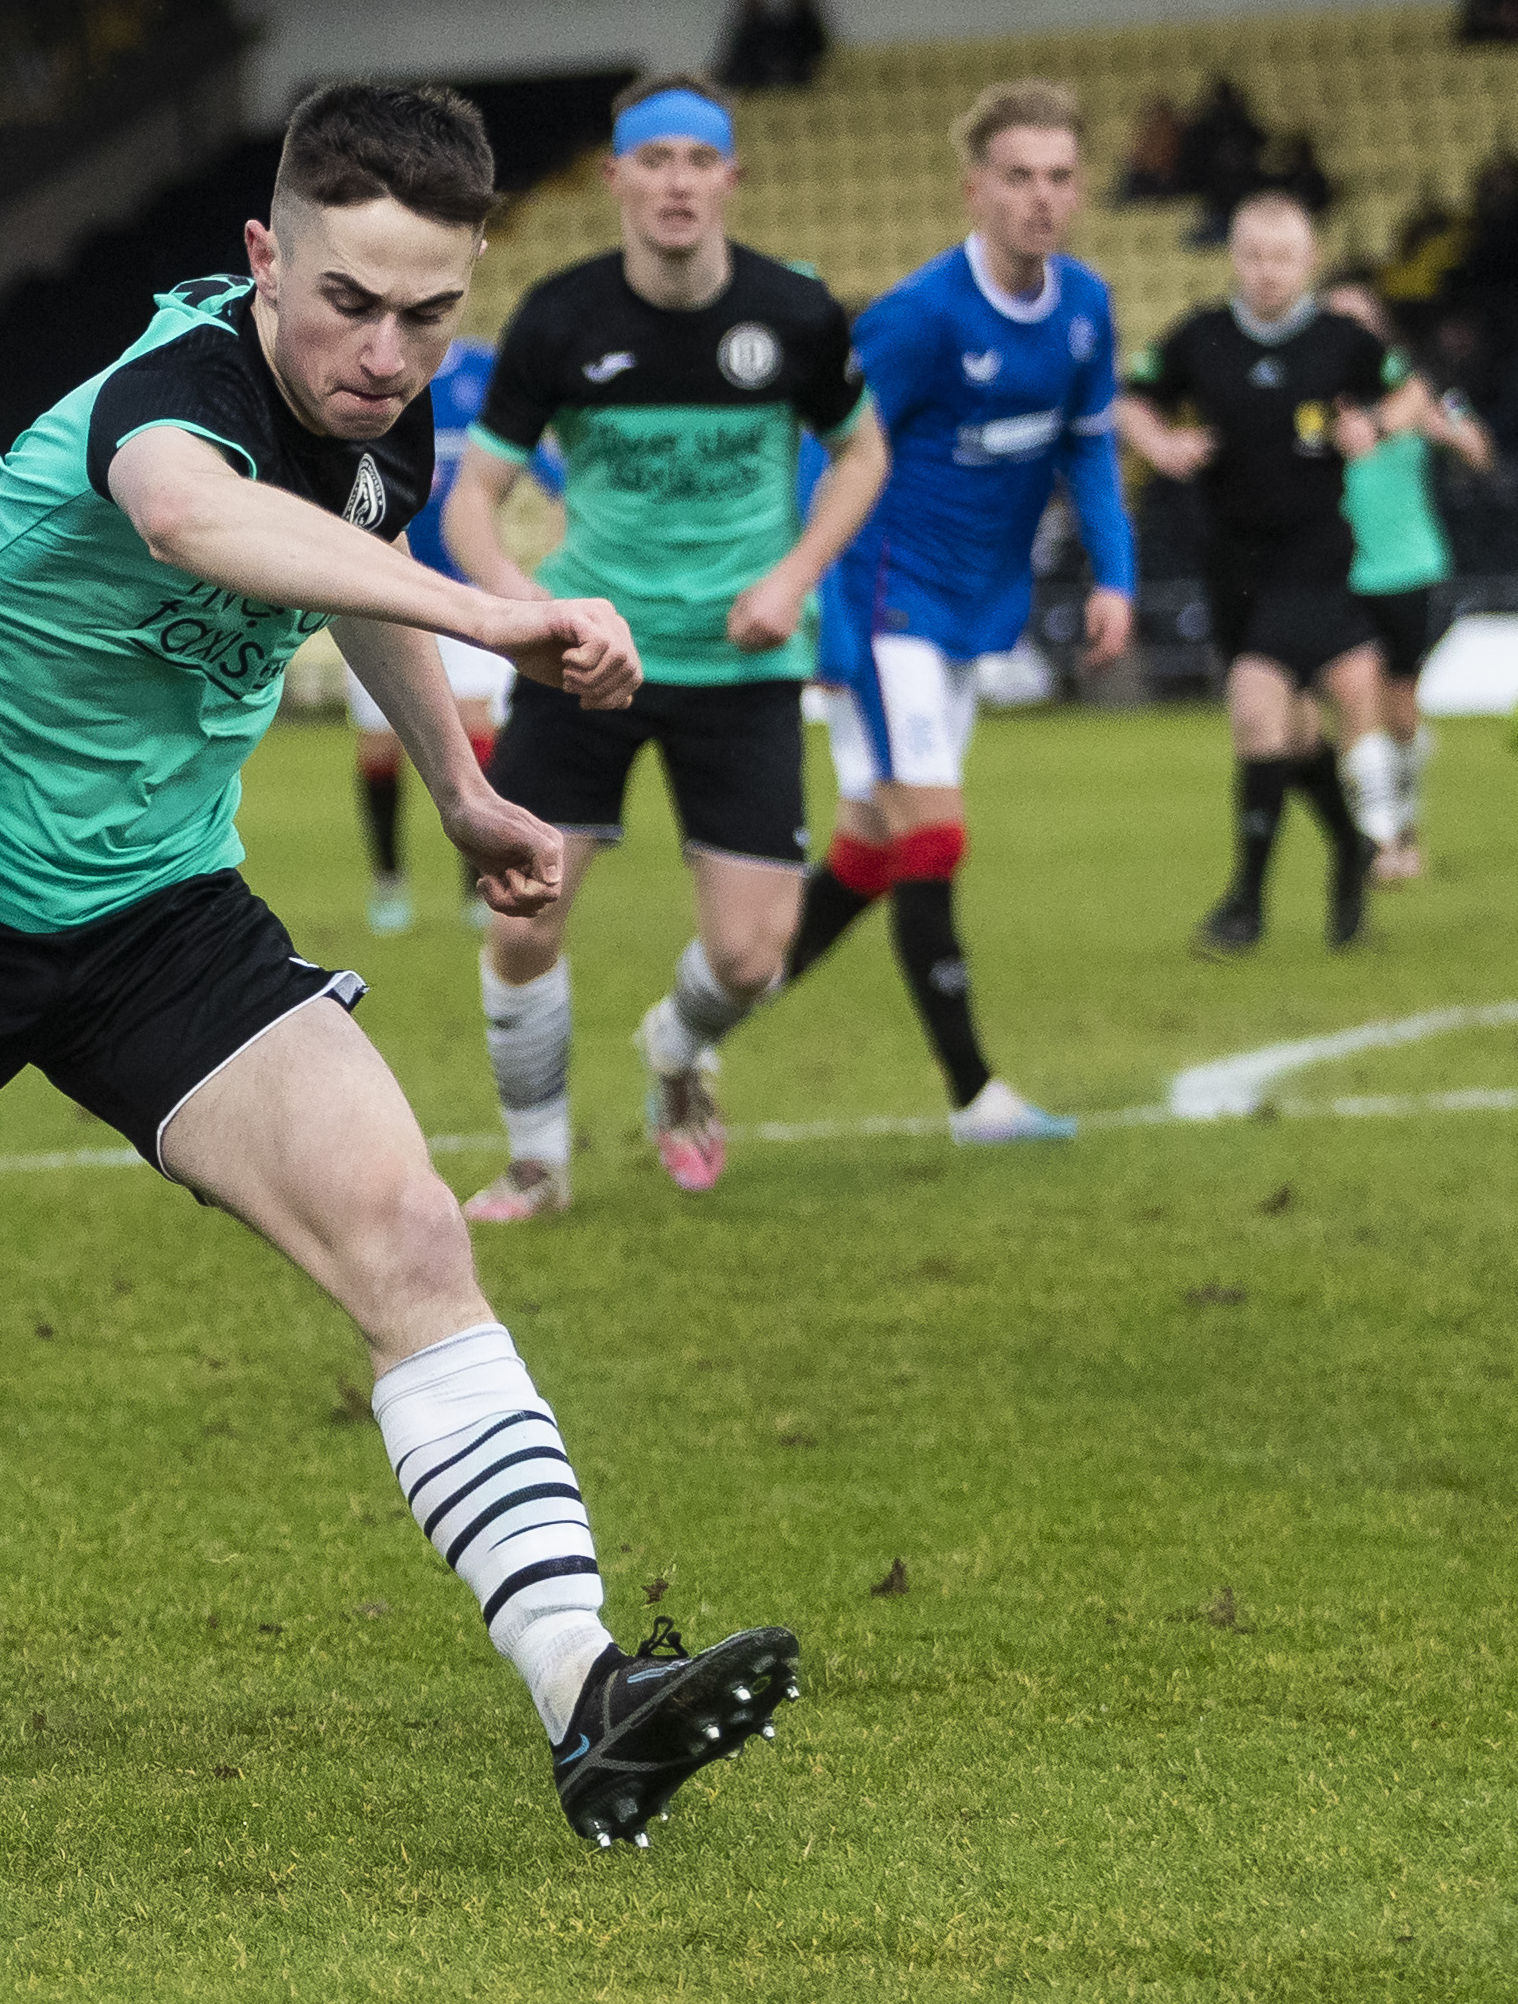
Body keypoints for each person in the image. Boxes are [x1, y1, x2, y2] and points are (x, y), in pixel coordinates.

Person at [0, 82, 804, 1864]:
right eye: (346, 301)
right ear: (265, 257)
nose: (385, 350)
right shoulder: (170, 389)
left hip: (155, 920)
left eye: (429, 314)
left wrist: (465, 783)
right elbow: (195, 522)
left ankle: (589, 1699)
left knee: (407, 1235)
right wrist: (503, 624)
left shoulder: (379, 416)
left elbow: (357, 567)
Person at [442, 75, 884, 1218]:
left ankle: (677, 1048)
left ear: (729, 178)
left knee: (748, 959)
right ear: (617, 179)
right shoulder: (556, 317)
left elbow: (861, 454)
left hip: (743, 669)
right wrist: (522, 608)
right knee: (519, 916)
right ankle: (535, 1162)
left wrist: (792, 578)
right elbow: (470, 503)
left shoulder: (793, 313)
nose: (676, 179)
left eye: (699, 158)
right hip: (588, 663)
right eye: (655, 158)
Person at [779, 81, 1135, 1137]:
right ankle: (974, 1094)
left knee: (869, 854)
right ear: (972, 187)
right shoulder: (920, 317)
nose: (1040, 197)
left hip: (974, 608)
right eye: (1018, 176)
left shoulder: (1084, 308)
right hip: (881, 602)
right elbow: (826, 455)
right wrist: (817, 610)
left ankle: (694, 1022)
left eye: (1059, 177)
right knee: (930, 837)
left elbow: (1088, 444)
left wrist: (1113, 574)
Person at [1113, 200, 1411, 954]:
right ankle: (1348, 850)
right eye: (1254, 254)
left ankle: (1243, 906)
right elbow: (1128, 399)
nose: (1267, 270)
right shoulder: (1200, 335)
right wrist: (1161, 440)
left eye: (1283, 256)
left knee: (1253, 706)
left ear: (1309, 261)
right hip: (1231, 559)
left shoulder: (1342, 340)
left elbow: (1413, 390)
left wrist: (1373, 426)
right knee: (1289, 729)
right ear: (1236, 257)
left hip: (1313, 554)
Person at [341, 332, 559, 937]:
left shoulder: (487, 371)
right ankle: (389, 882)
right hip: (380, 584)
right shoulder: (373, 363)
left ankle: (476, 885)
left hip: (464, 593)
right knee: (381, 746)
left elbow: (549, 475)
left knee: (475, 730)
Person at [1323, 274, 1494, 883]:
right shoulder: (1312, 393)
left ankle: (1406, 825)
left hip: (1410, 566)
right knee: (1355, 698)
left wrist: (1445, 430)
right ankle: (1379, 841)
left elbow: (1478, 449)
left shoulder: (1416, 387)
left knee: (1401, 710)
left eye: (1357, 317)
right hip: (1339, 569)